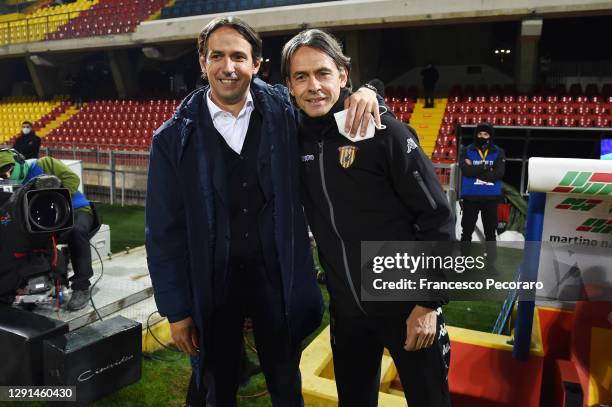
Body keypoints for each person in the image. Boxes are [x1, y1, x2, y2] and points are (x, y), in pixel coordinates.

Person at [145, 16, 382, 406]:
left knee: (286, 384)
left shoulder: (286, 112)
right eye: (217, 56)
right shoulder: (173, 138)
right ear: (202, 63)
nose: (228, 67)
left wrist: (372, 92)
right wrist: (177, 311)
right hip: (213, 289)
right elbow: (163, 232)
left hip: (279, 285)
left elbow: (329, 95)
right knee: (215, 388)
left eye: (238, 56)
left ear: (256, 64)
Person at [281, 29, 454, 407]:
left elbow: (438, 217)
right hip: (348, 313)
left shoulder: (381, 129)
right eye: (301, 76)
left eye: (323, 73)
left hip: (407, 305)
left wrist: (428, 303)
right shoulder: (292, 138)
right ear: (289, 86)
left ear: (344, 76)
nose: (313, 86)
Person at [0, 149, 95, 311]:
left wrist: (54, 195)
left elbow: (72, 179)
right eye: (4, 174)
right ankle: (39, 281)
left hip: (77, 210)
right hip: (48, 222)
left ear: (20, 160)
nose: (8, 175)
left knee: (77, 232)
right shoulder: (15, 187)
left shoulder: (44, 164)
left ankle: (82, 287)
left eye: (10, 169)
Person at [459, 122, 506, 256]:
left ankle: (491, 264)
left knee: (490, 233)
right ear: (476, 135)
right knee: (466, 231)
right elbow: (466, 171)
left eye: (485, 134)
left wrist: (475, 169)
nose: (482, 136)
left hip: (491, 198)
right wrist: (487, 167)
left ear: (490, 136)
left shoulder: (498, 151)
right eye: (479, 134)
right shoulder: (466, 150)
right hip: (470, 197)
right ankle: (464, 260)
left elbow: (498, 174)